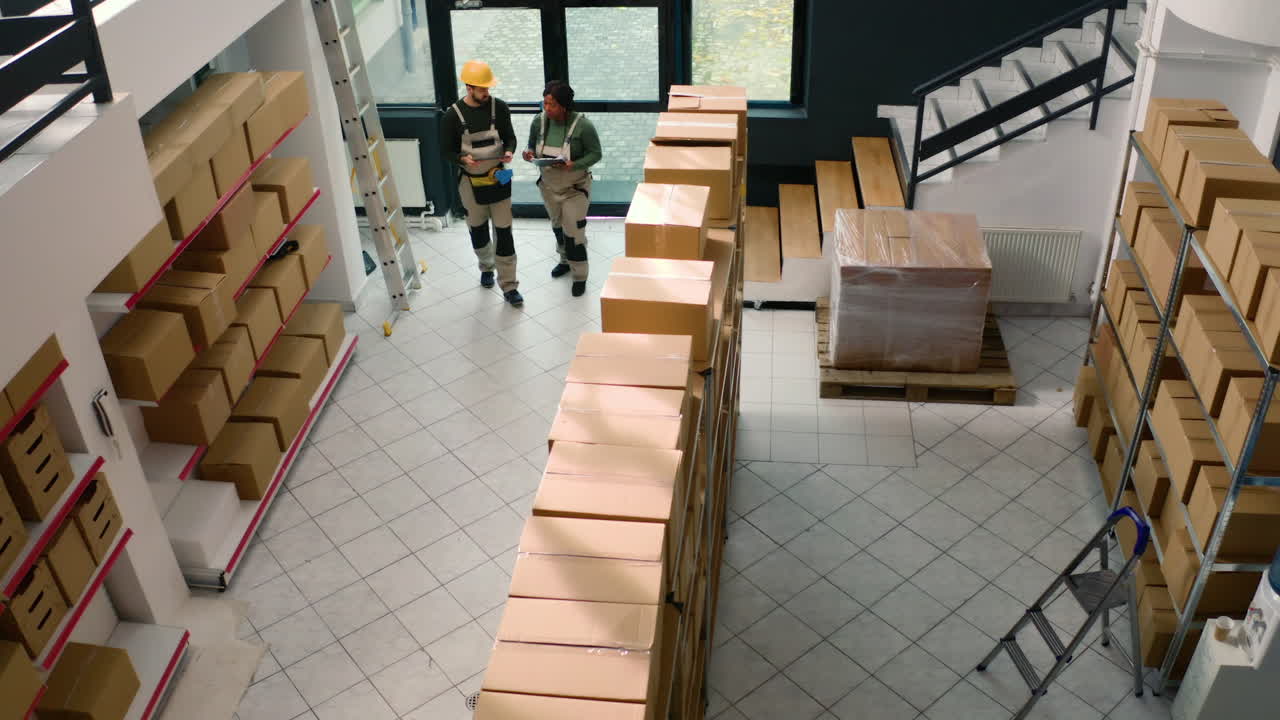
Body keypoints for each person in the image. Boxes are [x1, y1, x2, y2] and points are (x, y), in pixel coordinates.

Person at [441, 59, 522, 306]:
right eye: (482, 89)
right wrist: (461, 158)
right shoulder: (452, 116)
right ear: (469, 87)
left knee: (504, 232)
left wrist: (509, 151)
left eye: (488, 88)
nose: (487, 93)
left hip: (498, 176)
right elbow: (446, 151)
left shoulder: (500, 108)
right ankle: (486, 266)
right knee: (477, 227)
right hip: (470, 181)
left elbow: (510, 138)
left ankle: (509, 285)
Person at [522, 80, 602, 297]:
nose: (547, 109)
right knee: (558, 227)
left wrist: (574, 165)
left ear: (564, 106)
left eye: (552, 105)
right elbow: (530, 144)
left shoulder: (583, 126)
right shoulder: (539, 122)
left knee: (574, 233)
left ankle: (580, 276)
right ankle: (565, 261)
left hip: (575, 188)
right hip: (549, 186)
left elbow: (596, 154)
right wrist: (528, 153)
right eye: (545, 103)